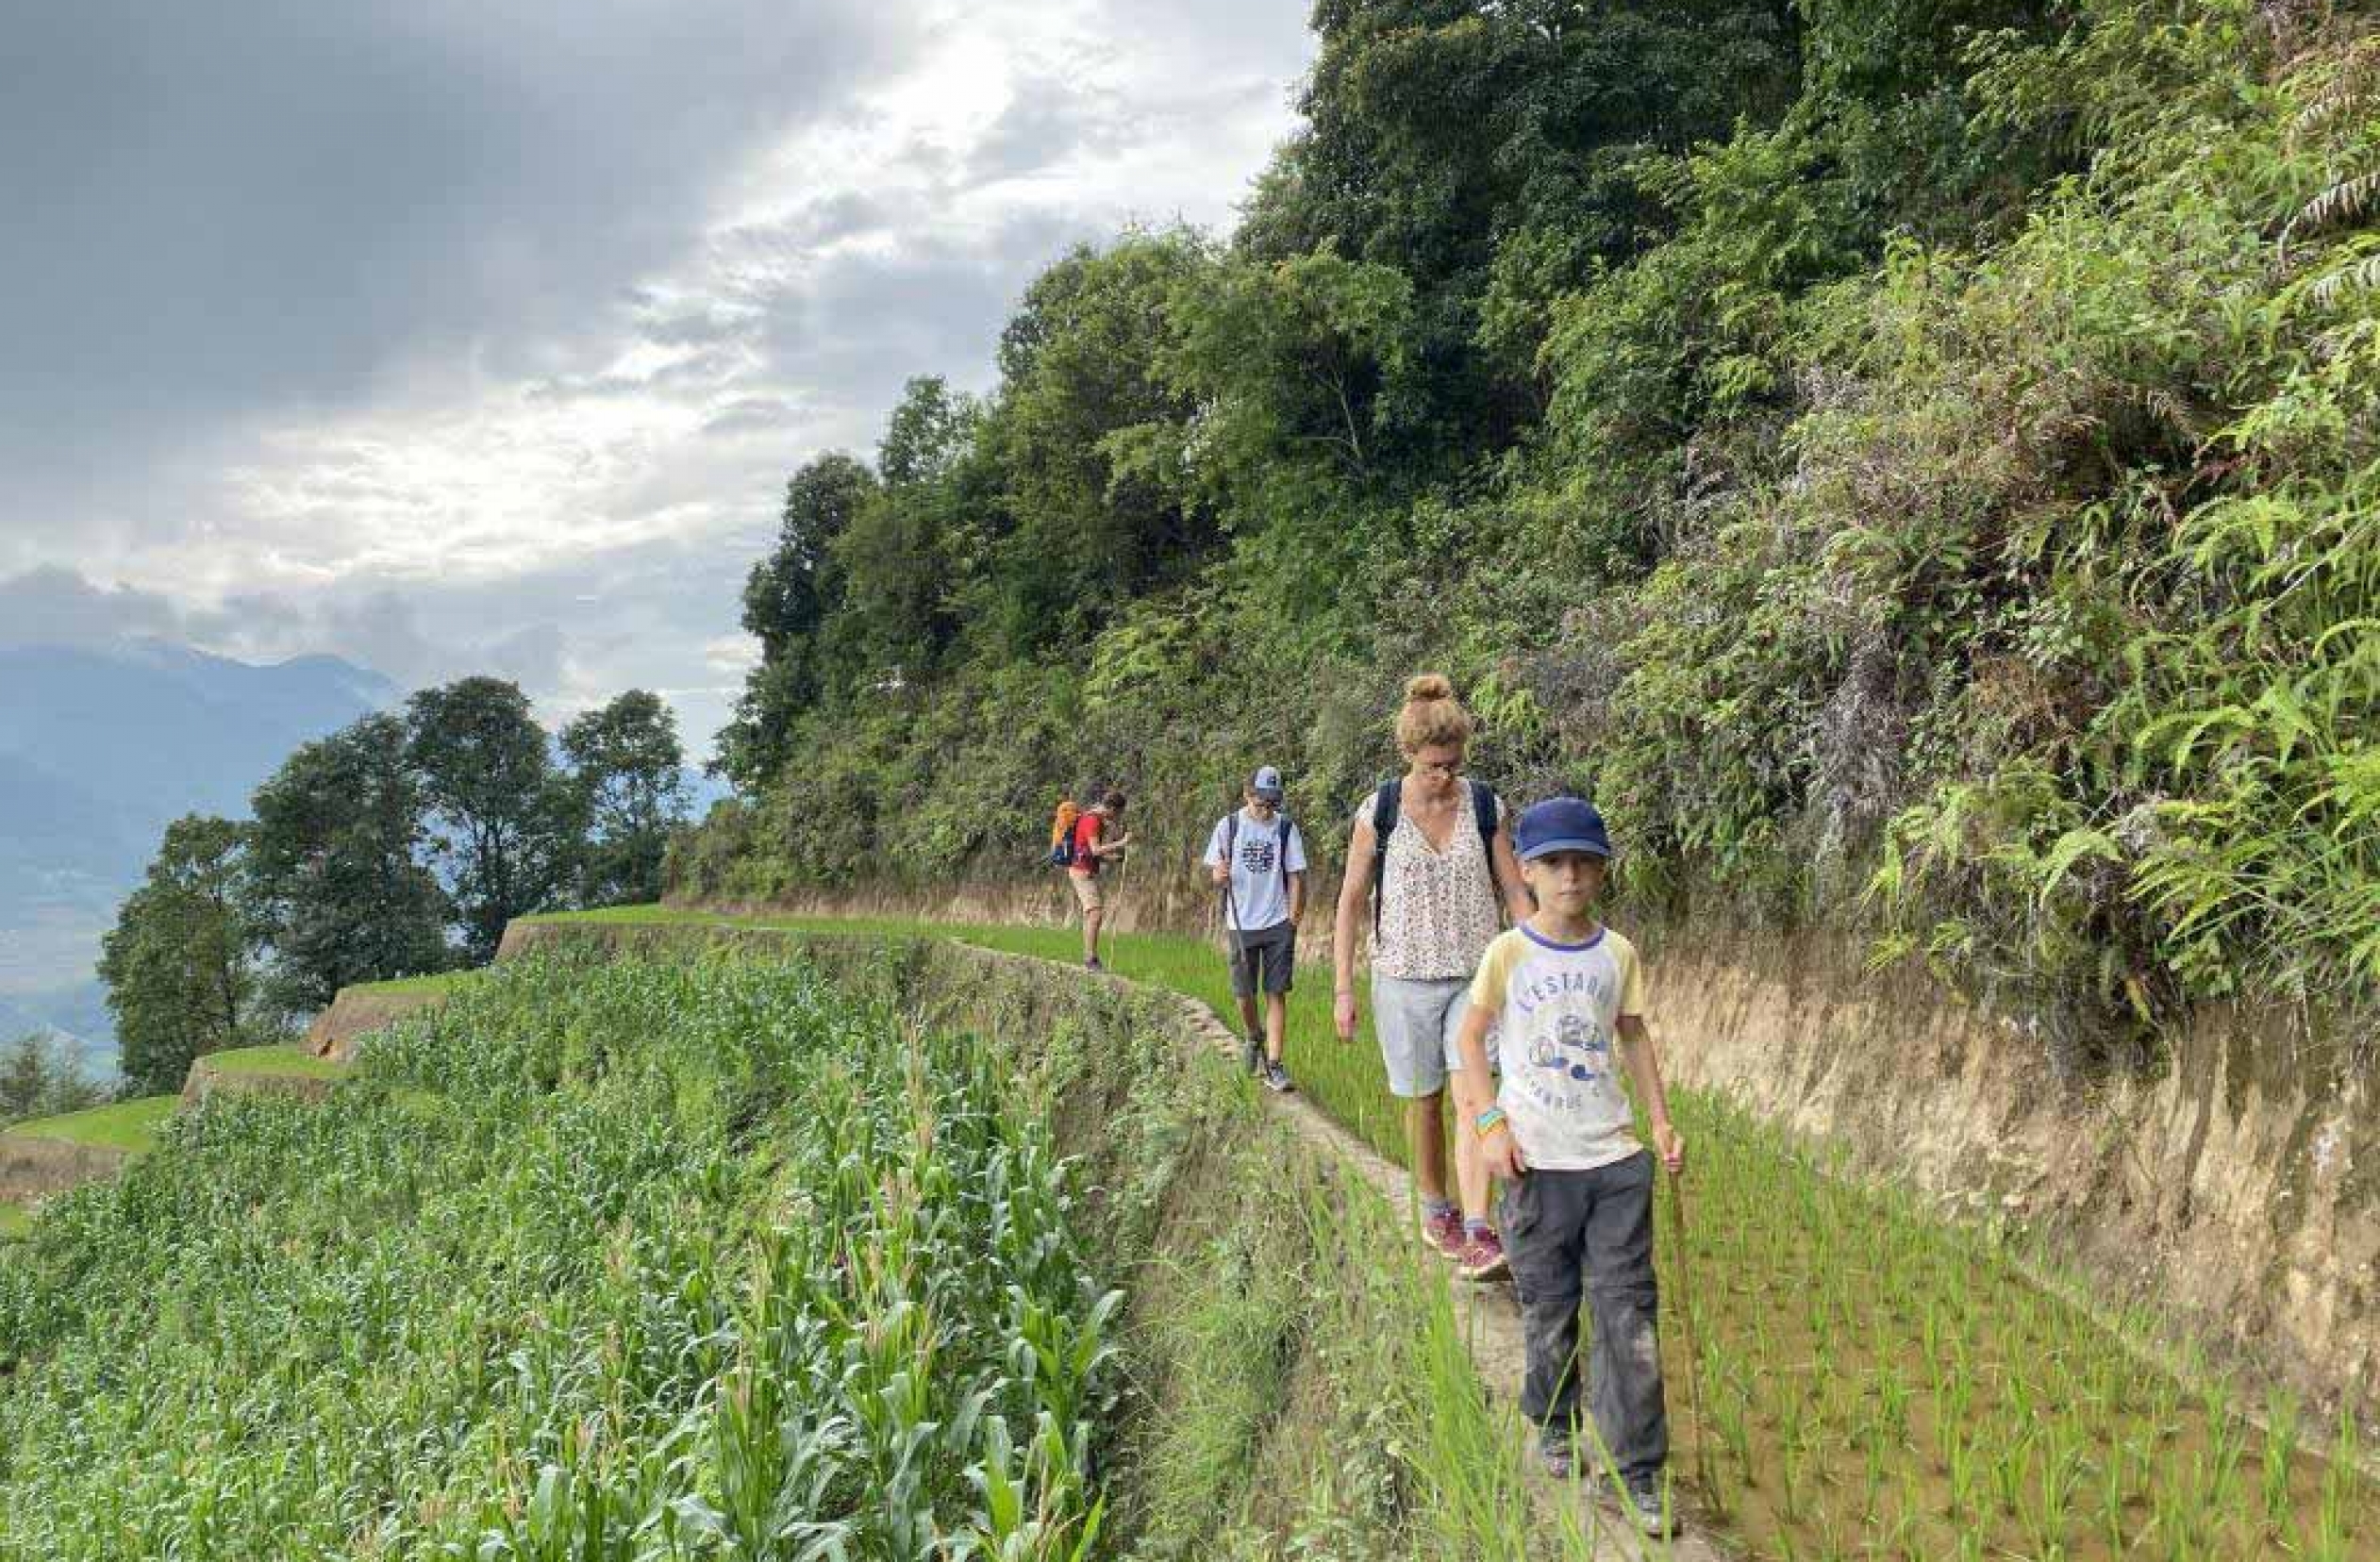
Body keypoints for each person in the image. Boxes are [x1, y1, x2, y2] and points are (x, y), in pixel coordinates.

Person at [1452, 796, 1687, 1537]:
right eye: (1554, 862)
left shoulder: (1616, 954)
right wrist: (1489, 1125)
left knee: (1626, 1315)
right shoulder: (1508, 954)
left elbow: (1635, 1037)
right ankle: (1553, 1422)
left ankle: (1636, 1471)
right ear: (1526, 871)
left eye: (1584, 862)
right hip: (1535, 1166)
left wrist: (1658, 1121)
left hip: (1613, 1160)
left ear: (1601, 870)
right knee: (1549, 1309)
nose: (1571, 876)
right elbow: (1469, 1039)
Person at [1331, 674, 1531, 1281]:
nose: (1443, 776)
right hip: (1403, 978)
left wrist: (1539, 954)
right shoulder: (1381, 812)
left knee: (1476, 1099)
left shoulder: (1486, 806)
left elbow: (1515, 890)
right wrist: (1343, 986)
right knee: (1425, 1104)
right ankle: (1436, 1208)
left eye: (1452, 764)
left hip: (1476, 976)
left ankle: (1477, 1228)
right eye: (1432, 765)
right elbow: (1349, 900)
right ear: (1410, 755)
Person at [1203, 765, 1307, 1093]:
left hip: (1277, 922)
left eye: (1273, 803)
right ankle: (1252, 1035)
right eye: (1262, 802)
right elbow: (1214, 873)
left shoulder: (1286, 829)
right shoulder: (1229, 826)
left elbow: (1296, 876)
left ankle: (1274, 1064)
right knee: (1243, 993)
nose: (1267, 810)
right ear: (1248, 795)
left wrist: (1293, 920)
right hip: (1240, 921)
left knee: (1276, 993)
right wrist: (1220, 876)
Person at [1068, 789, 1131, 971]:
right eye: (1118, 813)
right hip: (1081, 872)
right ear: (1111, 808)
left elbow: (1090, 852)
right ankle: (1091, 960)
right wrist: (1121, 843)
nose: (1118, 818)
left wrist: (1114, 858)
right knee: (1095, 914)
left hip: (1082, 869)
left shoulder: (1094, 819)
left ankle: (1089, 958)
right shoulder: (1092, 820)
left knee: (1091, 915)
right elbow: (1095, 850)